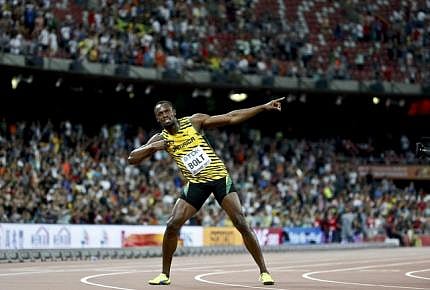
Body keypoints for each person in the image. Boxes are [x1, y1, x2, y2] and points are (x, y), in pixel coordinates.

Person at [128, 97, 285, 285]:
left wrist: (263, 107)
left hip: (219, 178)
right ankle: (164, 275)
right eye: (160, 114)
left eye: (167, 111)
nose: (164, 115)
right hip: (196, 183)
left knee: (240, 222)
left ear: (174, 112)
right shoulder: (161, 138)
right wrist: (154, 147)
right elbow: (132, 158)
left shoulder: (194, 122)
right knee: (172, 224)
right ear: (158, 119)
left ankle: (264, 271)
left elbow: (231, 117)